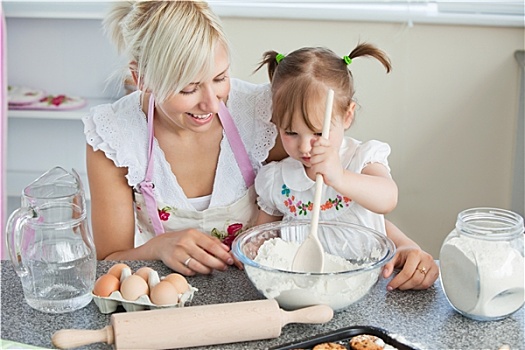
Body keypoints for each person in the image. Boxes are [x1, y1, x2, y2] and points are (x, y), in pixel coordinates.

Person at [83, 1, 286, 276]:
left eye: (220, 78)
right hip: (170, 294)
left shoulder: (260, 113)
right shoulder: (114, 137)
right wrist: (159, 247)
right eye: (189, 89)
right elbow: (109, 260)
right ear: (141, 78)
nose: (212, 104)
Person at [254, 44, 438, 290]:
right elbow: (262, 235)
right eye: (290, 132)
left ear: (347, 116)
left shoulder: (361, 159)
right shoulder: (277, 179)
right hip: (298, 289)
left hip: (367, 286)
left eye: (319, 132)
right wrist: (253, 246)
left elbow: (387, 198)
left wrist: (339, 177)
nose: (306, 146)